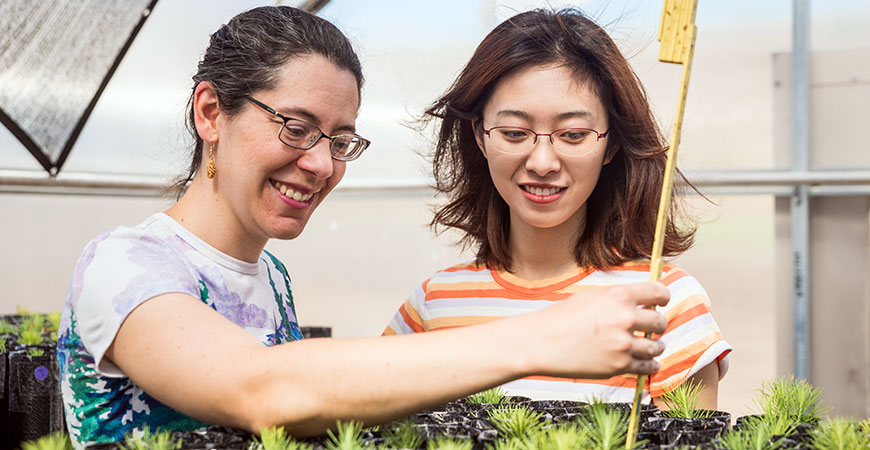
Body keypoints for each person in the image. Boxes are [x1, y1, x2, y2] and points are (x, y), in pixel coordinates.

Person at [57, 6, 672, 448]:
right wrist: (539, 339)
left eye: (340, 140)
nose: (321, 163)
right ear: (211, 112)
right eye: (294, 128)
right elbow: (261, 392)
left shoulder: (268, 278)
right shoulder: (126, 265)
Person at [384, 9, 731, 408]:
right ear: (480, 135)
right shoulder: (434, 302)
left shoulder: (663, 302)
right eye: (515, 133)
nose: (543, 162)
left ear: (611, 143)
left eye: (573, 135)